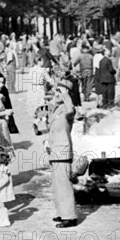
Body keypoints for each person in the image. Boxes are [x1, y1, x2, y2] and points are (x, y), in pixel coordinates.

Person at [43, 79, 77, 228]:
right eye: (56, 91)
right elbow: (50, 127)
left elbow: (70, 111)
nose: (56, 94)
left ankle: (70, 217)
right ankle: (61, 213)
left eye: (59, 91)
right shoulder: (56, 109)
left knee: (64, 185)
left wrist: (65, 95)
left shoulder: (68, 109)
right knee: (57, 185)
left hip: (62, 151)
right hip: (54, 151)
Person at [0, 78, 15, 227]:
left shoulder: (0, 96)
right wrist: (4, 113)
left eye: (3, 82)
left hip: (1, 142)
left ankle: (3, 216)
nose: (1, 85)